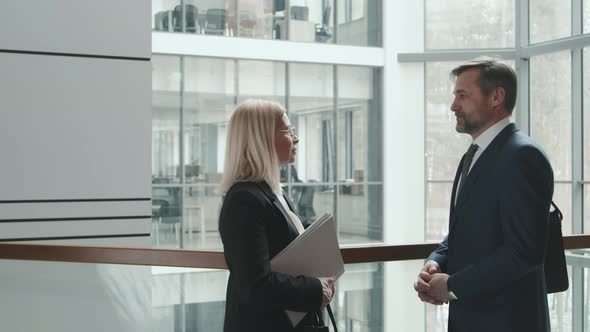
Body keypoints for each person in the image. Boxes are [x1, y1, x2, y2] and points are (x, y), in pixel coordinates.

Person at [413, 59, 554, 331]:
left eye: (462, 95)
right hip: (471, 318)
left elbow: (523, 253)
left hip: (507, 321)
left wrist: (451, 286)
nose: (453, 106)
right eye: (455, 96)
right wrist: (435, 263)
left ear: (496, 97)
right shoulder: (475, 154)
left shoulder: (523, 156)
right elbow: (464, 232)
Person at [218, 99, 336, 332]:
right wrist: (314, 289)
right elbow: (256, 285)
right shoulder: (244, 200)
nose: (296, 138)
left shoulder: (270, 191)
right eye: (288, 131)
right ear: (261, 139)